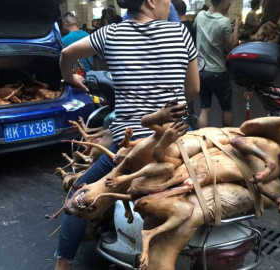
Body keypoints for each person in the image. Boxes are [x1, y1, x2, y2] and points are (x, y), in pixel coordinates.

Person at [54, 0, 200, 269]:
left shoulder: (109, 34)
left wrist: (69, 78)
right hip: (178, 142)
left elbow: (67, 53)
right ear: (151, 1)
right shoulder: (180, 33)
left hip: (129, 147)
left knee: (79, 194)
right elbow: (193, 88)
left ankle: (62, 264)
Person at [195, 0, 241, 128]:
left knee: (204, 108)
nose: (231, 3)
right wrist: (236, 26)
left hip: (201, 70)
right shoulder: (224, 21)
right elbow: (232, 46)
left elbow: (195, 31)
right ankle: (228, 141)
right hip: (217, 71)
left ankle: (201, 141)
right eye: (229, 1)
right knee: (226, 109)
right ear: (223, 2)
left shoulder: (200, 16)